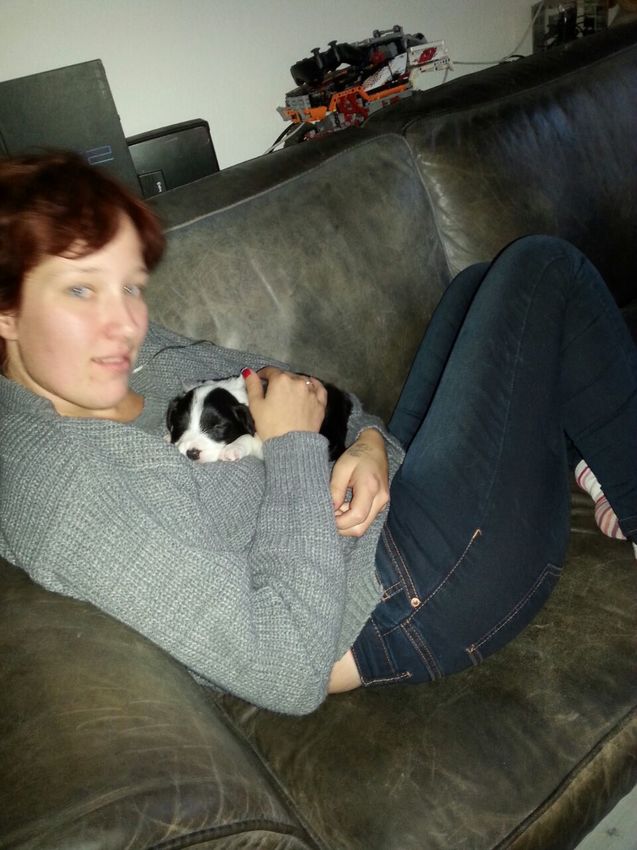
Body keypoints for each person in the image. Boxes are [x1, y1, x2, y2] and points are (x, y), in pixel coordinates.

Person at [0, 152, 635, 715]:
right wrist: (295, 450)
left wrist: (368, 445)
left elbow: (311, 398)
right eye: (80, 289)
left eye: (131, 287)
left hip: (388, 503)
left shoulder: (135, 356)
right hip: (400, 599)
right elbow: (286, 671)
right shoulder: (57, 484)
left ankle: (574, 448)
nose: (125, 323)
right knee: (543, 269)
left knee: (475, 288)